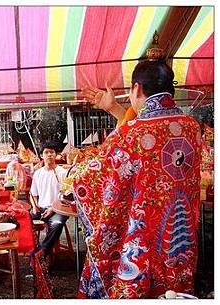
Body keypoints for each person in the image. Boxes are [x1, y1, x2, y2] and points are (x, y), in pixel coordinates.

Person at [67, 60, 202, 298]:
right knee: (176, 293)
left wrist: (72, 175)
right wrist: (115, 110)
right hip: (181, 238)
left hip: (142, 241)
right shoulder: (192, 128)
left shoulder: (130, 134)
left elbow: (92, 177)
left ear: (137, 89)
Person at [30, 141, 69, 258]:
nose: (49, 155)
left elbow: (66, 195)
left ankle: (42, 252)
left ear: (56, 155)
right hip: (41, 208)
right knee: (23, 220)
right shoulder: (38, 173)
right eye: (46, 152)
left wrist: (52, 208)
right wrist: (34, 206)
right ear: (42, 155)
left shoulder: (62, 173)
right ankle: (32, 247)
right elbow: (33, 194)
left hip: (59, 209)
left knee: (57, 224)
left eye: (52, 152)